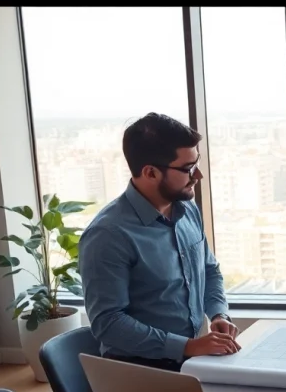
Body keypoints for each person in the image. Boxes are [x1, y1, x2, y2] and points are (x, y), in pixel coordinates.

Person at [80, 113, 239, 372]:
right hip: (138, 371)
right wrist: (187, 346)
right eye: (187, 168)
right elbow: (108, 323)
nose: (197, 174)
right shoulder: (108, 235)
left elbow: (209, 270)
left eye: (196, 163)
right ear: (150, 173)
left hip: (193, 361)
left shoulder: (188, 210)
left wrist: (219, 314)